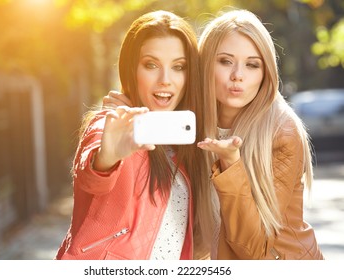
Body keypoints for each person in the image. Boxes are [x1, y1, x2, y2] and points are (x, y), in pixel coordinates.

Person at [55, 10, 217, 260]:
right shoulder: (112, 126)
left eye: (178, 67)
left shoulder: (182, 142)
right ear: (132, 69)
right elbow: (92, 175)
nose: (165, 80)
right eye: (151, 65)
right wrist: (107, 159)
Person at [196, 9, 324, 260]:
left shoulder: (281, 132)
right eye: (225, 61)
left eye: (252, 65)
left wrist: (231, 164)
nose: (238, 76)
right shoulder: (192, 125)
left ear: (266, 73)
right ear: (205, 64)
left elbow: (253, 249)